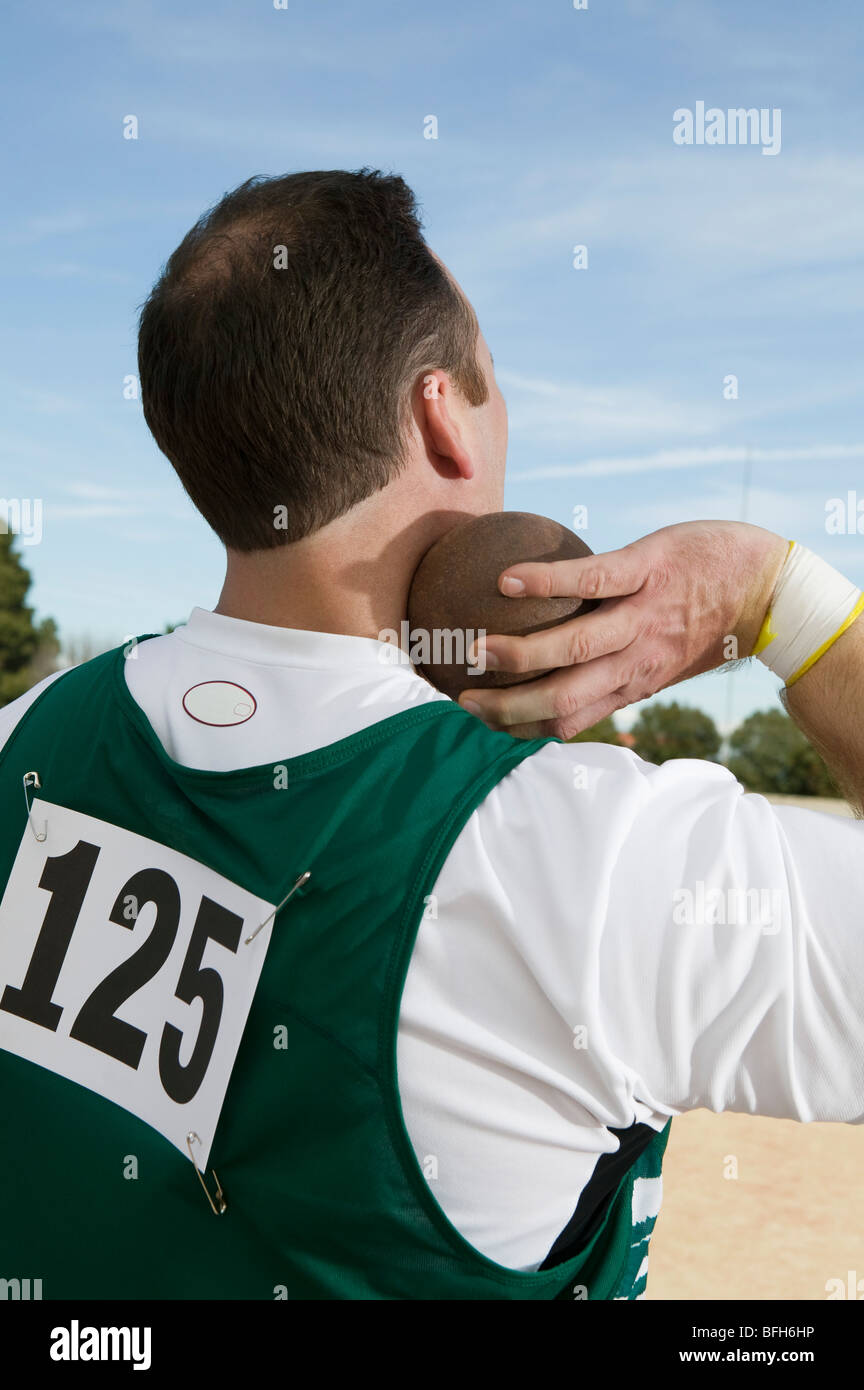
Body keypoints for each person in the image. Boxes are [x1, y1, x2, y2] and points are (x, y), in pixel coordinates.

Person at [0, 169, 862, 1301]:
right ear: (440, 413)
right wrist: (782, 601)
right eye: (498, 387)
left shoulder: (27, 732)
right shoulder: (594, 859)